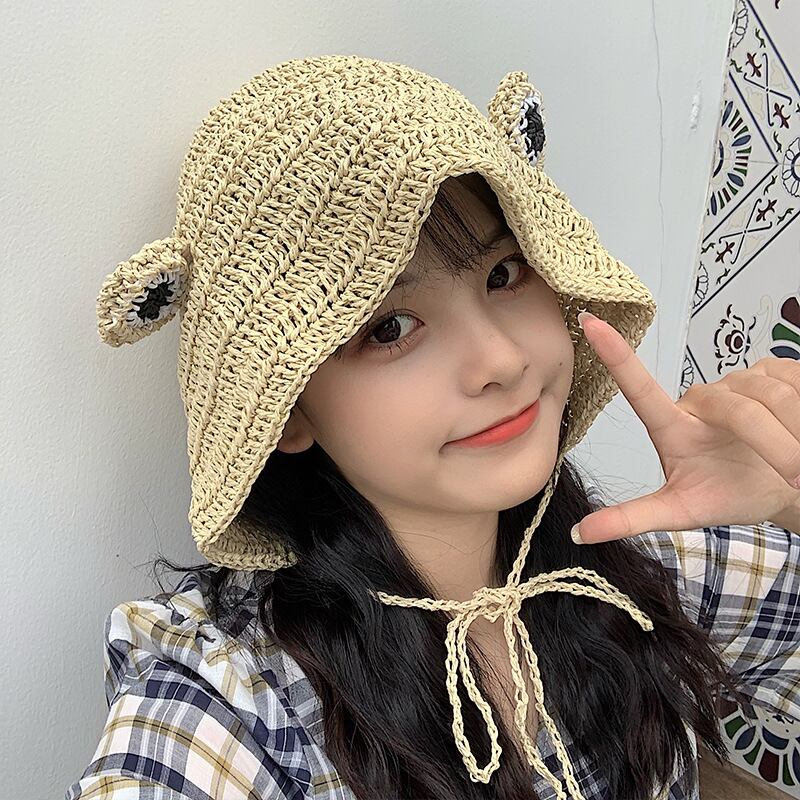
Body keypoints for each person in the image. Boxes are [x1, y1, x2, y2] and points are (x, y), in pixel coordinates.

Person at [66, 54, 800, 800]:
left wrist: (792, 497)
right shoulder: (237, 702)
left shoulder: (625, 571)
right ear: (284, 411)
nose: (501, 359)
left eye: (503, 274)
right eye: (390, 328)